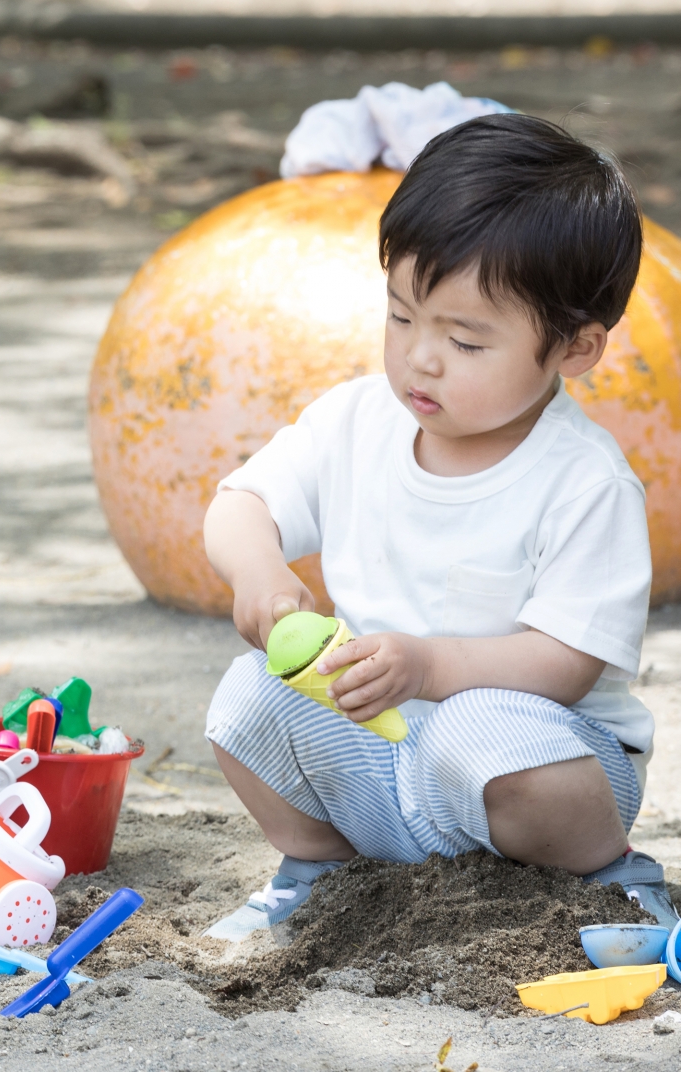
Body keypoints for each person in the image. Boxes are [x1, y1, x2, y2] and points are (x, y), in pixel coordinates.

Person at [200, 114, 675, 941]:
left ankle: (610, 876)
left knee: (478, 732)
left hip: (538, 761)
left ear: (575, 347)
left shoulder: (583, 483)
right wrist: (262, 574)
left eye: (464, 339)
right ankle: (322, 868)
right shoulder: (354, 422)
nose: (421, 357)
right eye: (401, 317)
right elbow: (241, 504)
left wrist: (427, 665)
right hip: (381, 759)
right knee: (246, 698)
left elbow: (564, 663)